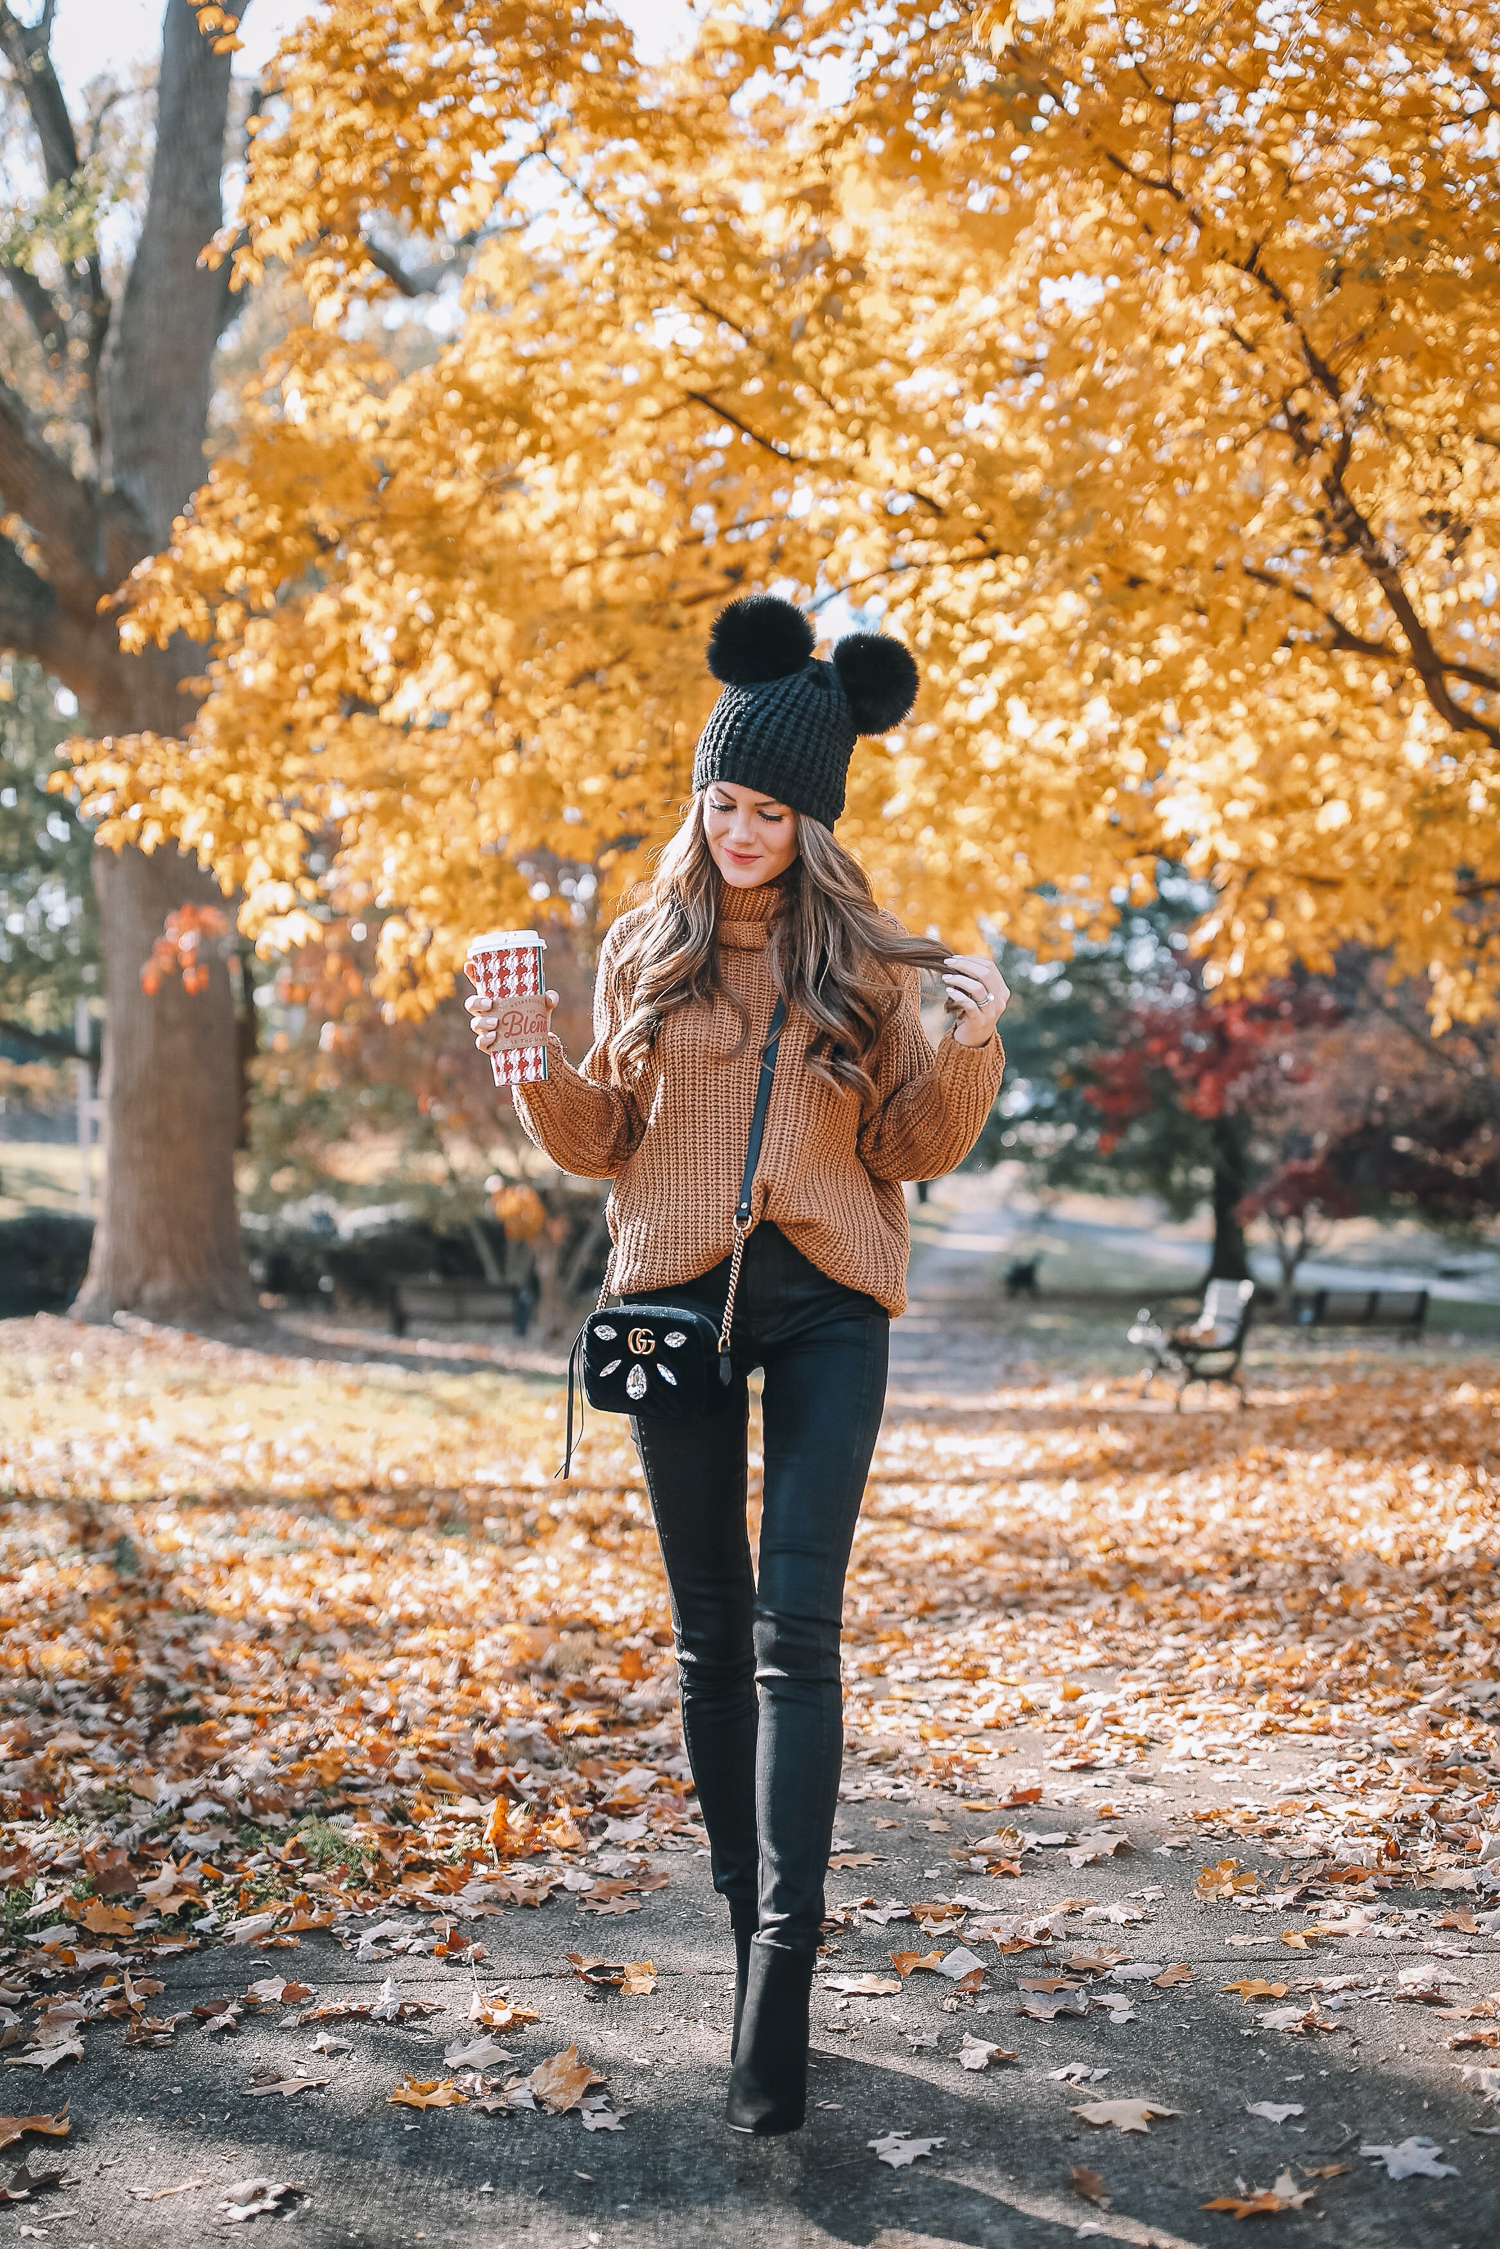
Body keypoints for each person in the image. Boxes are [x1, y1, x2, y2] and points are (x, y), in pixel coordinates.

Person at [467, 595, 1007, 2135]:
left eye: (769, 809)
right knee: (709, 1630)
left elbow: (910, 1147)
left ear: (813, 819)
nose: (741, 829)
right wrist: (530, 1068)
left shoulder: (870, 965)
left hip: (832, 1297)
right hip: (672, 1300)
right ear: (700, 797)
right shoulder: (651, 944)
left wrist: (970, 1040)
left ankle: (786, 1960)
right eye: (723, 800)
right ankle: (737, 1912)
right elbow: (601, 1146)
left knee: (794, 1625)